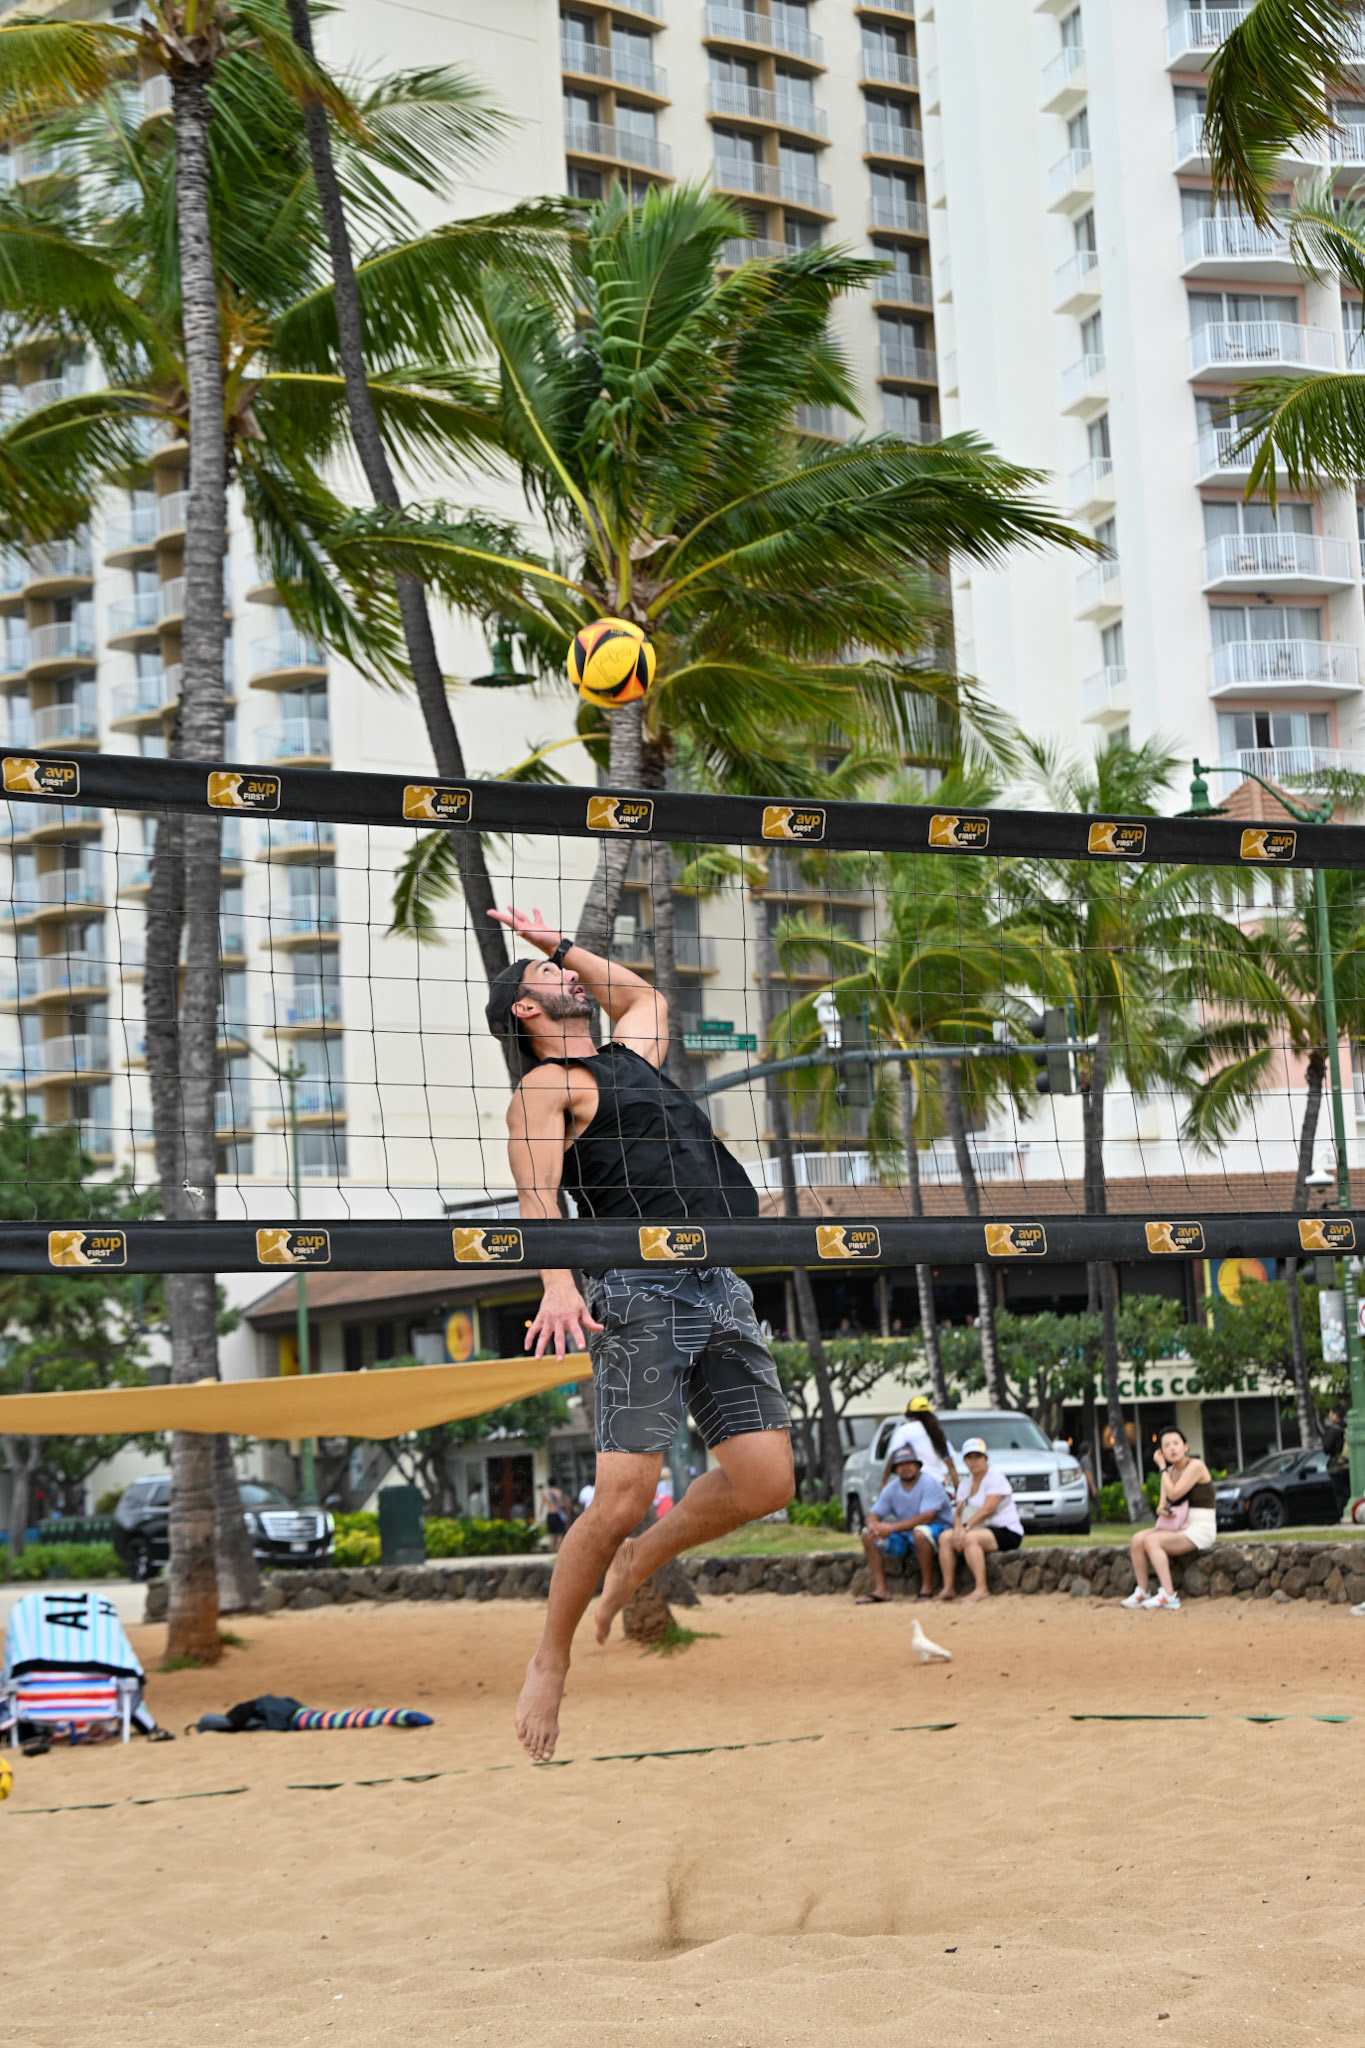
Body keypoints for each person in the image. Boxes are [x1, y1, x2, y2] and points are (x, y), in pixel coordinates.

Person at [485, 904, 794, 1761]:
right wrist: (555, 1283)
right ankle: (549, 1659)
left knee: (767, 1485)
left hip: (716, 1277)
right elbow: (536, 1196)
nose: (570, 977)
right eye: (551, 977)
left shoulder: (634, 1055)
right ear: (525, 1011)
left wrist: (553, 943)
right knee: (618, 1498)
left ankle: (637, 1563)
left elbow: (641, 994)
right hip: (636, 1287)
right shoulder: (545, 1088)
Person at [1122, 1426, 1216, 1611]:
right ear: (1161, 1451)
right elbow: (1163, 1504)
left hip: (1200, 1528)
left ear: (1186, 1447)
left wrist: (1161, 1467)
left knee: (1152, 1541)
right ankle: (1143, 1590)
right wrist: (1163, 1510)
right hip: (1181, 1525)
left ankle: (1169, 1595)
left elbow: (1173, 1494)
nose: (1172, 1448)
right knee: (1137, 1539)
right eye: (1167, 1445)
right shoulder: (1170, 1472)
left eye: (1176, 1443)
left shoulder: (1195, 1466)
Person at [855, 1448, 952, 1604]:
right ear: (895, 1469)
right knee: (867, 1534)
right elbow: (873, 1513)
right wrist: (873, 1526)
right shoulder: (891, 1488)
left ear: (918, 1465)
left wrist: (891, 1528)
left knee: (920, 1533)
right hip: (906, 1536)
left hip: (935, 1533)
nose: (905, 1467)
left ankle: (926, 1589)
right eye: (900, 1464)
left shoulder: (930, 1484)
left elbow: (927, 1517)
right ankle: (881, 1590)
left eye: (909, 1463)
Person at [936, 1436, 1024, 1602]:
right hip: (978, 1528)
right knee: (945, 1538)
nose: (973, 1461)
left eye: (978, 1457)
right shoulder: (965, 1484)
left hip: (1005, 1530)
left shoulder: (996, 1478)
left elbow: (988, 1509)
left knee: (970, 1538)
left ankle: (981, 1588)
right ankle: (948, 1588)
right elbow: (959, 1511)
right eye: (969, 1457)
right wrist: (957, 1530)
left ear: (986, 1458)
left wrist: (965, 1528)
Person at [885, 1396, 960, 1494]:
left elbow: (894, 1456)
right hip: (937, 1483)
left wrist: (884, 1481)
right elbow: (950, 1464)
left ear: (909, 1414)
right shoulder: (936, 1432)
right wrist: (957, 1488)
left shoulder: (904, 1431)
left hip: (914, 1483)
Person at [540, 1482, 569, 1553]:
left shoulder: (545, 1493)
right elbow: (559, 1504)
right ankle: (557, 1548)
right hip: (557, 1514)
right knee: (560, 1533)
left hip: (550, 1514)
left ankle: (551, 1550)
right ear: (555, 1484)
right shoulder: (559, 1492)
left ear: (548, 1484)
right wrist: (565, 1505)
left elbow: (542, 1505)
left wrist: (540, 1515)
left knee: (551, 1534)